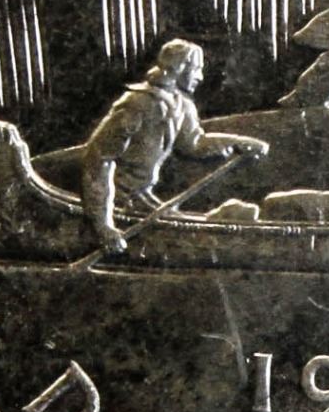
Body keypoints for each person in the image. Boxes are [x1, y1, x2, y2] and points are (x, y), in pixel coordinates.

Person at [80, 39, 267, 253]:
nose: (200, 77)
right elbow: (98, 158)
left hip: (143, 198)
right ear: (178, 67)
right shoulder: (136, 104)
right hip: (119, 200)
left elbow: (194, 143)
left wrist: (239, 143)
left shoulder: (180, 104)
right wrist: (103, 225)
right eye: (196, 69)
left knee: (197, 223)